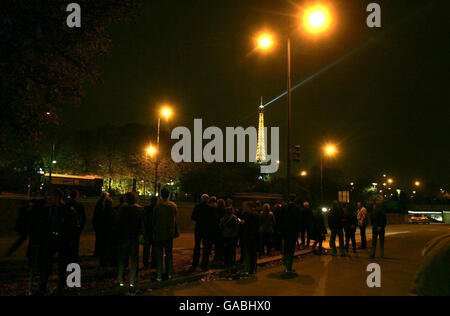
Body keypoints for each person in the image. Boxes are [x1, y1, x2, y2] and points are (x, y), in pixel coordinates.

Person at [37, 189, 78, 296]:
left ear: (57, 197)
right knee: (47, 263)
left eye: (50, 196)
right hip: (51, 239)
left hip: (61, 240)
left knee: (61, 265)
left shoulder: (67, 210)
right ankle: (44, 286)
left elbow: (73, 227)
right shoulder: (48, 209)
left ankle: (58, 287)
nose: (48, 198)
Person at [117, 192, 144, 288]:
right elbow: (141, 225)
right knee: (134, 260)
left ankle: (120, 279)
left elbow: (119, 223)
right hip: (134, 237)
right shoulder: (138, 210)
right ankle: (133, 280)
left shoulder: (122, 210)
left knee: (122, 259)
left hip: (124, 237)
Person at [152, 187, 178, 281]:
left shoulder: (158, 206)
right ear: (169, 195)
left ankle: (159, 275)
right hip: (169, 233)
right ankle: (169, 274)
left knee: (159, 255)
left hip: (159, 233)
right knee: (169, 254)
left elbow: (154, 220)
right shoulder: (173, 206)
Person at [191, 194, 216, 271]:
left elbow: (193, 217)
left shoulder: (197, 207)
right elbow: (213, 219)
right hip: (207, 229)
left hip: (199, 228)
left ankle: (195, 264)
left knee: (197, 246)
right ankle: (204, 264)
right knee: (206, 247)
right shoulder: (210, 208)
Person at [278, 194, 301, 273]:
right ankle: (289, 266)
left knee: (286, 247)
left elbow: (280, 220)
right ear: (295, 200)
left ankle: (286, 264)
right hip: (293, 231)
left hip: (285, 231)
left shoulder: (284, 208)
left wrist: (281, 230)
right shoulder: (296, 209)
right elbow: (298, 221)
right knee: (291, 249)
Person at [219, 207, 243, 273]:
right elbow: (237, 227)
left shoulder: (223, 218)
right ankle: (232, 262)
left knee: (226, 249)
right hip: (233, 236)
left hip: (225, 235)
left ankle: (226, 262)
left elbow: (220, 226)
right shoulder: (235, 218)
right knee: (232, 249)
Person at [93, 192, 114, 266]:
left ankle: (98, 253)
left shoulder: (99, 204)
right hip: (105, 227)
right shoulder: (107, 207)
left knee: (99, 240)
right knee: (104, 242)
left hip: (99, 226)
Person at [241, 202, 260, 275]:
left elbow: (247, 226)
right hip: (254, 236)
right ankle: (253, 269)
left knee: (248, 253)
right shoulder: (256, 215)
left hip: (248, 236)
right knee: (253, 254)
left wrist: (243, 223)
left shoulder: (248, 215)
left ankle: (247, 269)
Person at [67, 190, 86, 261]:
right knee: (75, 243)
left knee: (70, 242)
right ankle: (74, 256)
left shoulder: (68, 205)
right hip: (76, 227)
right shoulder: (79, 205)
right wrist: (81, 227)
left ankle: (70, 255)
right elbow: (83, 217)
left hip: (70, 228)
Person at [143, 196, 158, 269]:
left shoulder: (147, 208)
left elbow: (144, 219)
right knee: (154, 248)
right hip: (154, 230)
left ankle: (145, 262)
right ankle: (153, 263)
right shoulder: (157, 209)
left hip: (148, 230)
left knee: (146, 248)